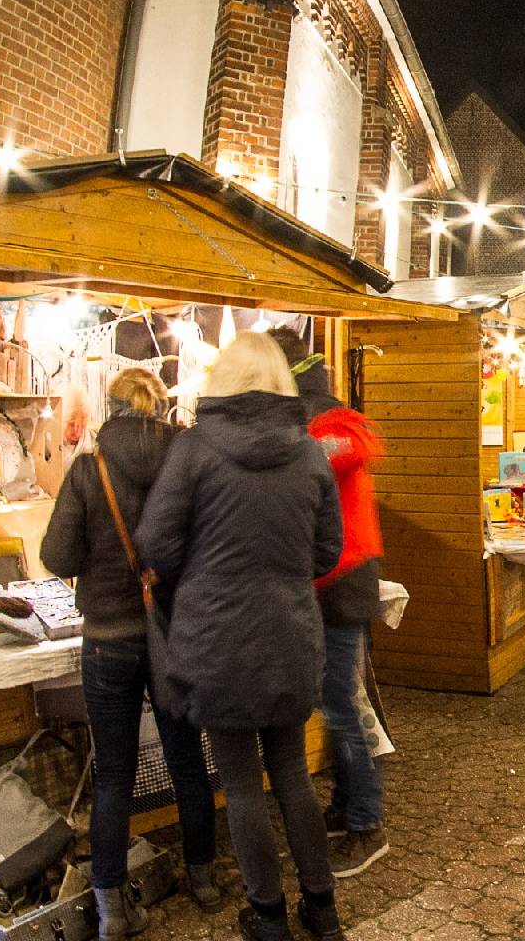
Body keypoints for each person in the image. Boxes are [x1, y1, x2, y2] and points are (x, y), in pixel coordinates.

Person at [138, 332, 346, 941]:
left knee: (239, 782)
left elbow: (155, 544)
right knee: (291, 775)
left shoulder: (195, 449)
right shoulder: (310, 454)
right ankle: (323, 909)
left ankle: (269, 917)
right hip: (289, 634)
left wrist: (204, 572)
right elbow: (328, 550)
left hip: (216, 641)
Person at [39, 369, 220, 938]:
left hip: (109, 642)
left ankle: (113, 909)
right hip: (173, 632)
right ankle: (205, 877)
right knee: (188, 759)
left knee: (114, 774)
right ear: (160, 407)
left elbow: (57, 557)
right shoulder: (185, 461)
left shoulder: (89, 469)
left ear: (110, 409)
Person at [269, 328, 389, 878]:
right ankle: (347, 808)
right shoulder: (313, 421)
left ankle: (366, 823)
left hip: (339, 585)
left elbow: (358, 446)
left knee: (341, 706)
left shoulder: (327, 423)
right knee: (336, 702)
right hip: (326, 585)